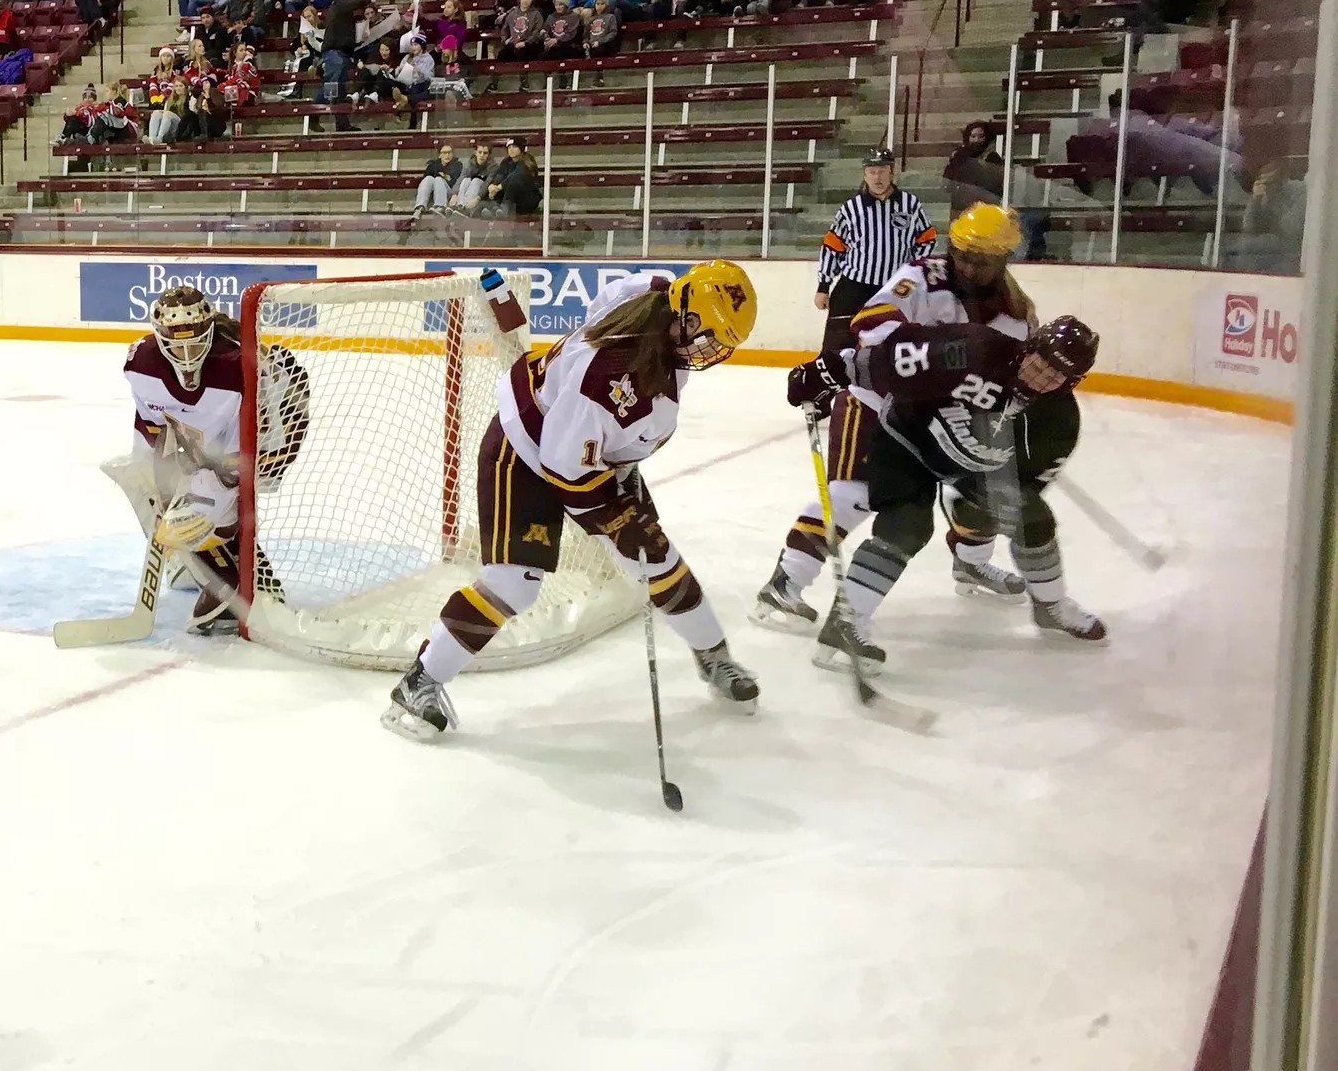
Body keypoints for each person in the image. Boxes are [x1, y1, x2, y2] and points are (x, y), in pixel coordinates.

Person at [384, 263, 764, 739]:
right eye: (709, 337)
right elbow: (565, 469)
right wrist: (620, 516)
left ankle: (714, 657)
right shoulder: (608, 378)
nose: (712, 351)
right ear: (684, 319)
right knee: (514, 583)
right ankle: (420, 681)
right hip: (523, 449)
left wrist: (627, 507)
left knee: (657, 559)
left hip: (584, 452)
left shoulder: (653, 295)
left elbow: (602, 306)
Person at [756, 204, 1036, 639]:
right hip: (874, 403)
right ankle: (785, 583)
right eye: (961, 252)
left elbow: (1011, 376)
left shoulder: (1015, 316)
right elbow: (872, 323)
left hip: (940, 419)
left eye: (980, 259)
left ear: (1003, 260)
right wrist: (936, 353)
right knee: (852, 496)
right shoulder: (924, 277)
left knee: (984, 493)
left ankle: (972, 564)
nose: (966, 264)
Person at [790, 310, 1107, 671]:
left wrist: (985, 514)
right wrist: (826, 371)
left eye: (1056, 375)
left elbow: (1028, 486)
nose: (1041, 377)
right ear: (1028, 347)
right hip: (906, 442)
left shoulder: (1058, 420)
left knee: (1033, 517)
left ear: (1071, 382)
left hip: (970, 470)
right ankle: (847, 622)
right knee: (907, 526)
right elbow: (889, 360)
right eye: (1040, 363)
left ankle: (1050, 605)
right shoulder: (973, 349)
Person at [122, 284, 310, 635]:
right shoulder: (141, 364)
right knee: (143, 483)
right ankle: (200, 562)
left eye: (194, 343)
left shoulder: (241, 370)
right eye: (176, 345)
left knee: (209, 502)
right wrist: (164, 475)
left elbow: (247, 460)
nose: (187, 354)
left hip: (283, 409)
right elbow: (155, 429)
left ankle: (239, 576)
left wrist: (204, 483)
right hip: (217, 428)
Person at [811, 146, 934, 353]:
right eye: (872, 171)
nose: (878, 177)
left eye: (882, 170)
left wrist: (911, 271)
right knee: (837, 344)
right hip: (853, 287)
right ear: (865, 175)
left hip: (894, 289)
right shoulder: (851, 208)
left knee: (892, 343)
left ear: (891, 172)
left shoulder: (910, 205)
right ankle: (831, 382)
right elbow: (833, 246)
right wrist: (824, 285)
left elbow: (926, 239)